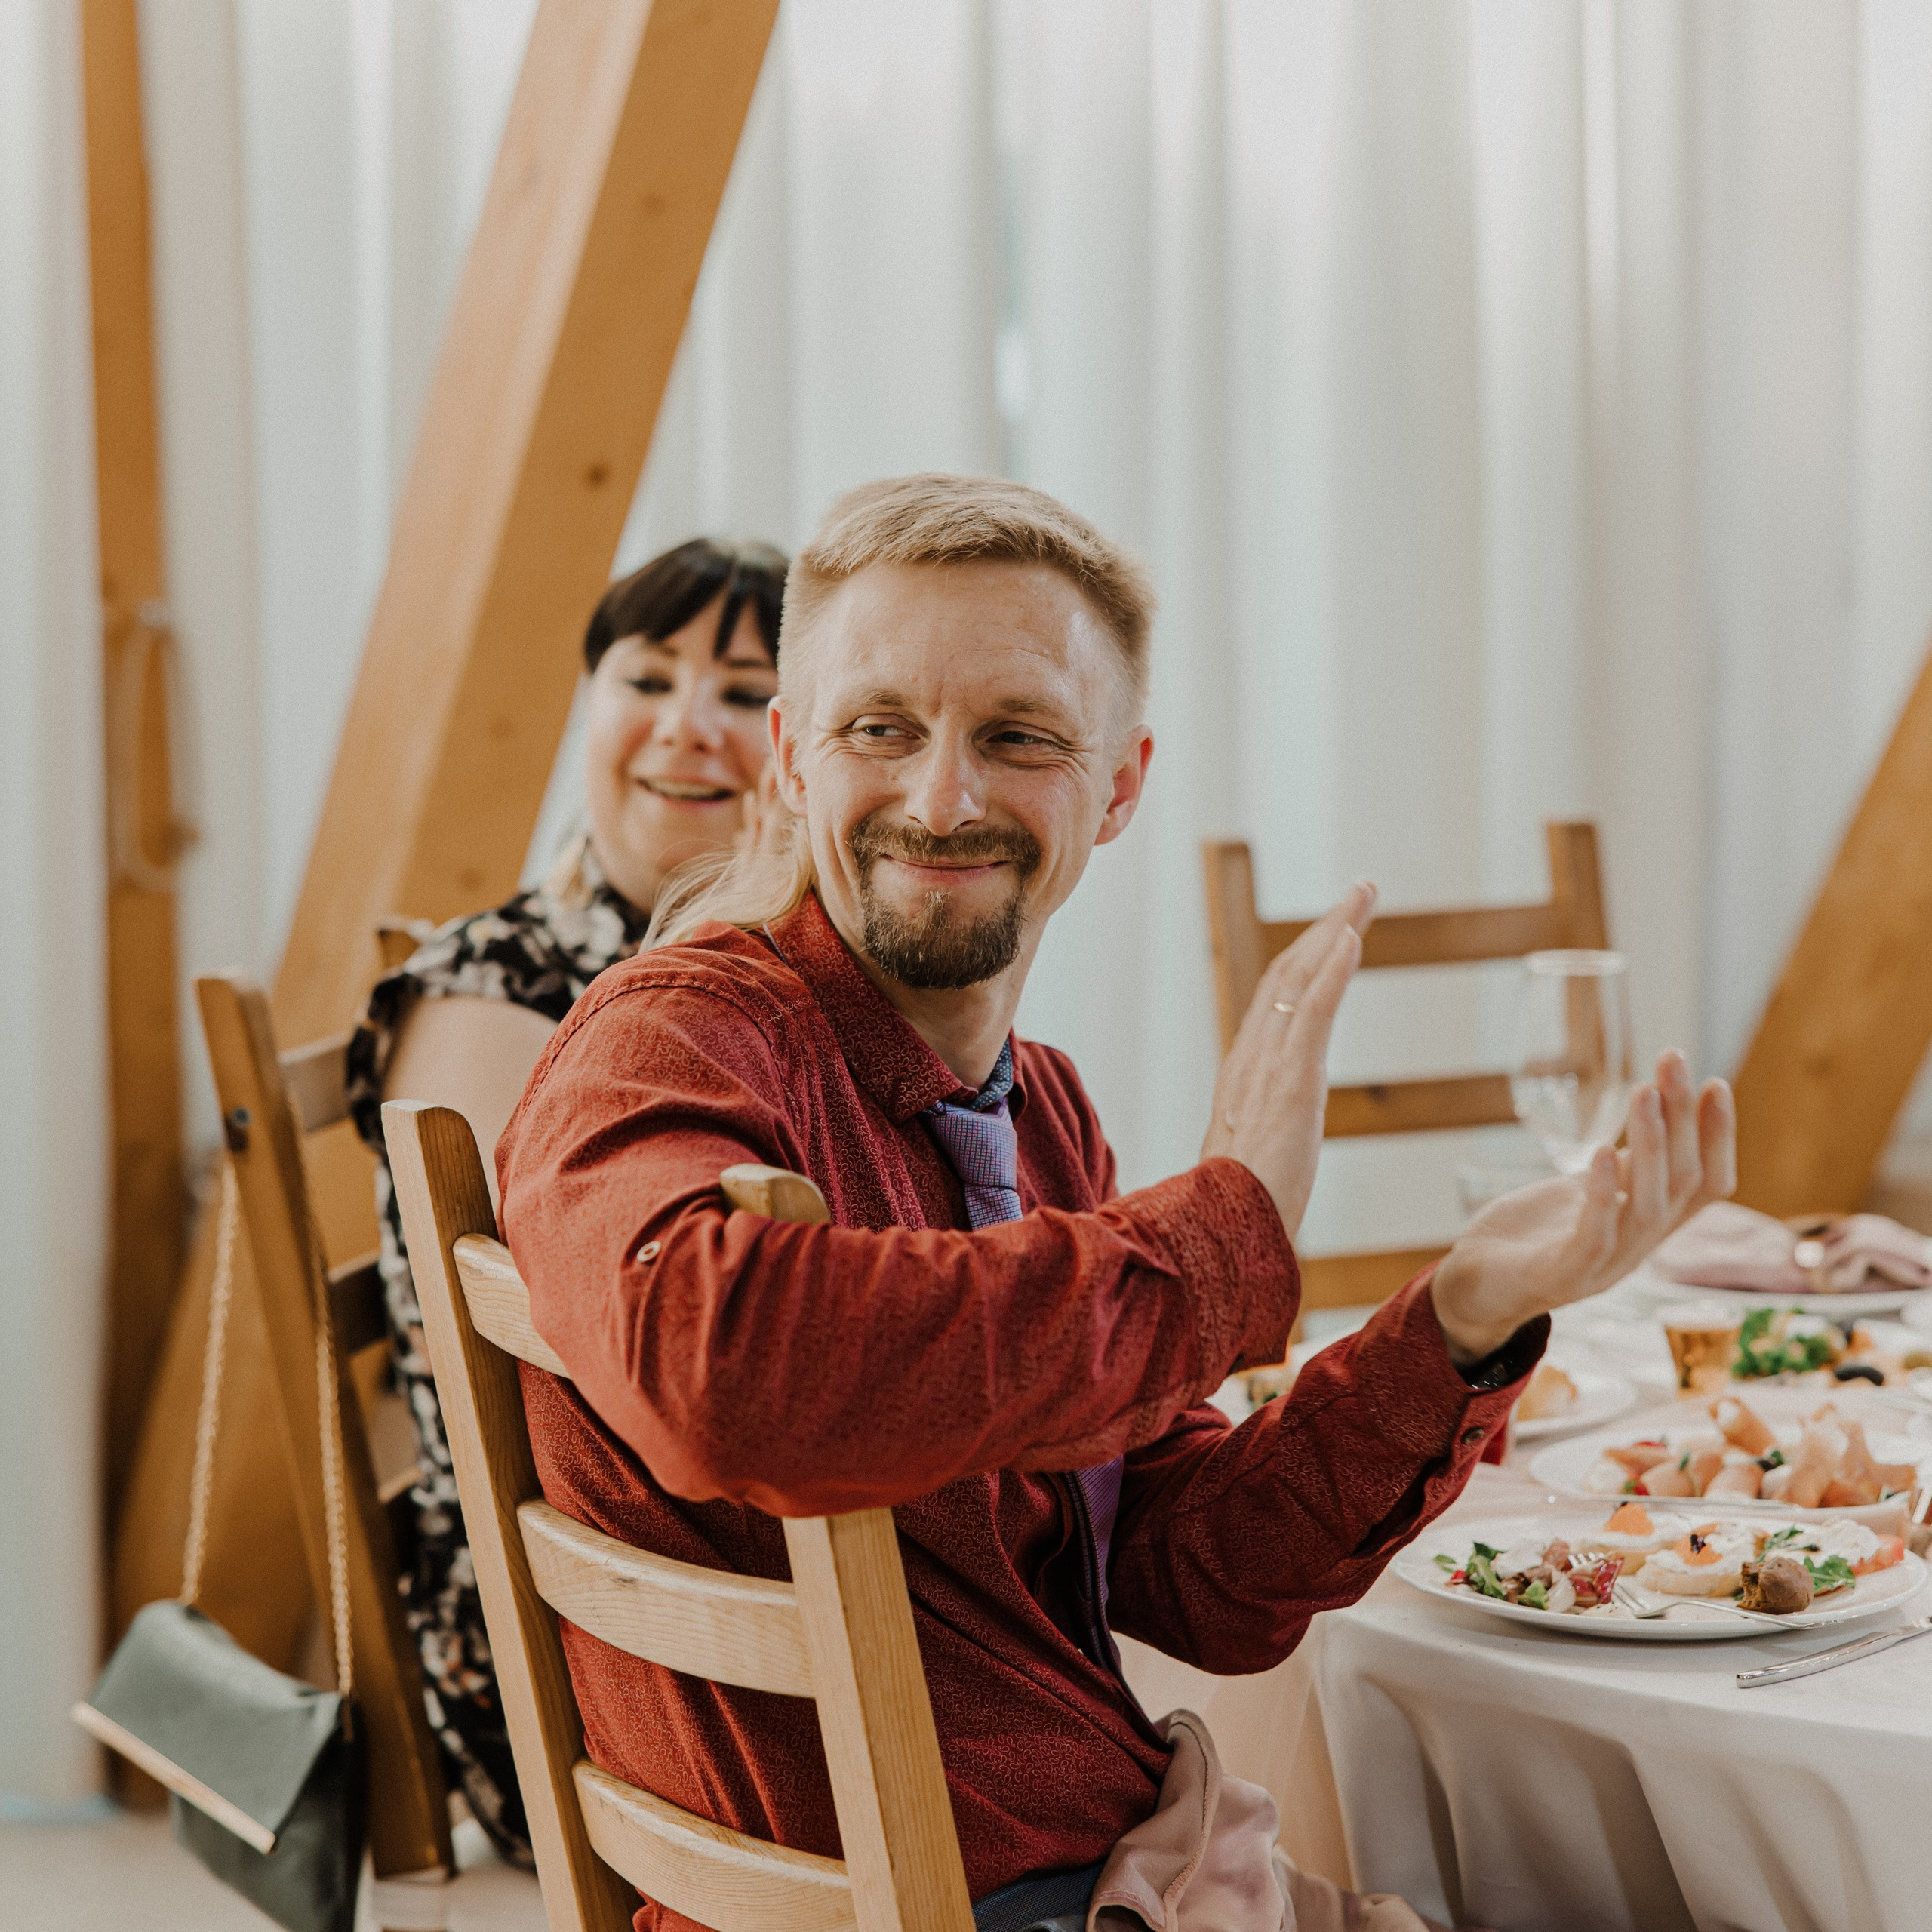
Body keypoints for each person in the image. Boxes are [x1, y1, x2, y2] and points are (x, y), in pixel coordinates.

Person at [497, 475, 1736, 1928]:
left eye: (1016, 737)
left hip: (1097, 1867)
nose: (941, 797)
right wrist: (1222, 1233)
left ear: (1123, 783)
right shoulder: (675, 1035)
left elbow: (1193, 1577)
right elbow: (722, 1373)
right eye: (878, 728)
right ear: (790, 756)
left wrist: (1464, 1314)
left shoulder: (1045, 1107)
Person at [344, 536, 787, 1862]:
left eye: (745, 692)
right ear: (590, 703)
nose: (688, 730)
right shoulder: (492, 981)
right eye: (646, 678)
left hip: (727, 1532)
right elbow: (513, 1377)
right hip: (555, 1605)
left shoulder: (786, 974)